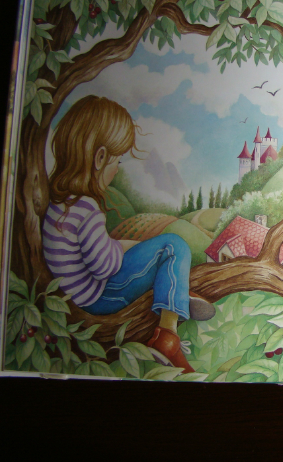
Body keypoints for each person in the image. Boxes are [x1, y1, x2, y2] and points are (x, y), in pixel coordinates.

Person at [42, 95, 213, 374]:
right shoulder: (86, 208)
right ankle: (168, 336)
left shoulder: (60, 204)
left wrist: (123, 245)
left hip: (77, 294)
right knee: (174, 246)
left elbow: (88, 253)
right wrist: (123, 249)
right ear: (100, 158)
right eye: (118, 161)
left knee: (152, 253)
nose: (117, 169)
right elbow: (105, 266)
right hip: (99, 297)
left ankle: (175, 293)